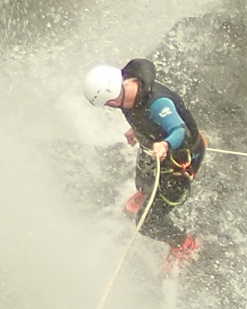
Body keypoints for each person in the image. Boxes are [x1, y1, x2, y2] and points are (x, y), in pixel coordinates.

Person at [84, 58, 206, 270]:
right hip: (152, 147)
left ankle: (183, 243)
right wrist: (138, 130)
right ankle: (146, 192)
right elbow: (140, 115)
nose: (109, 107)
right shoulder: (128, 90)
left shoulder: (158, 104)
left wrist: (166, 145)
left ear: (111, 99)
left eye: (107, 104)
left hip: (178, 161)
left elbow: (178, 130)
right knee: (142, 182)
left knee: (147, 223)